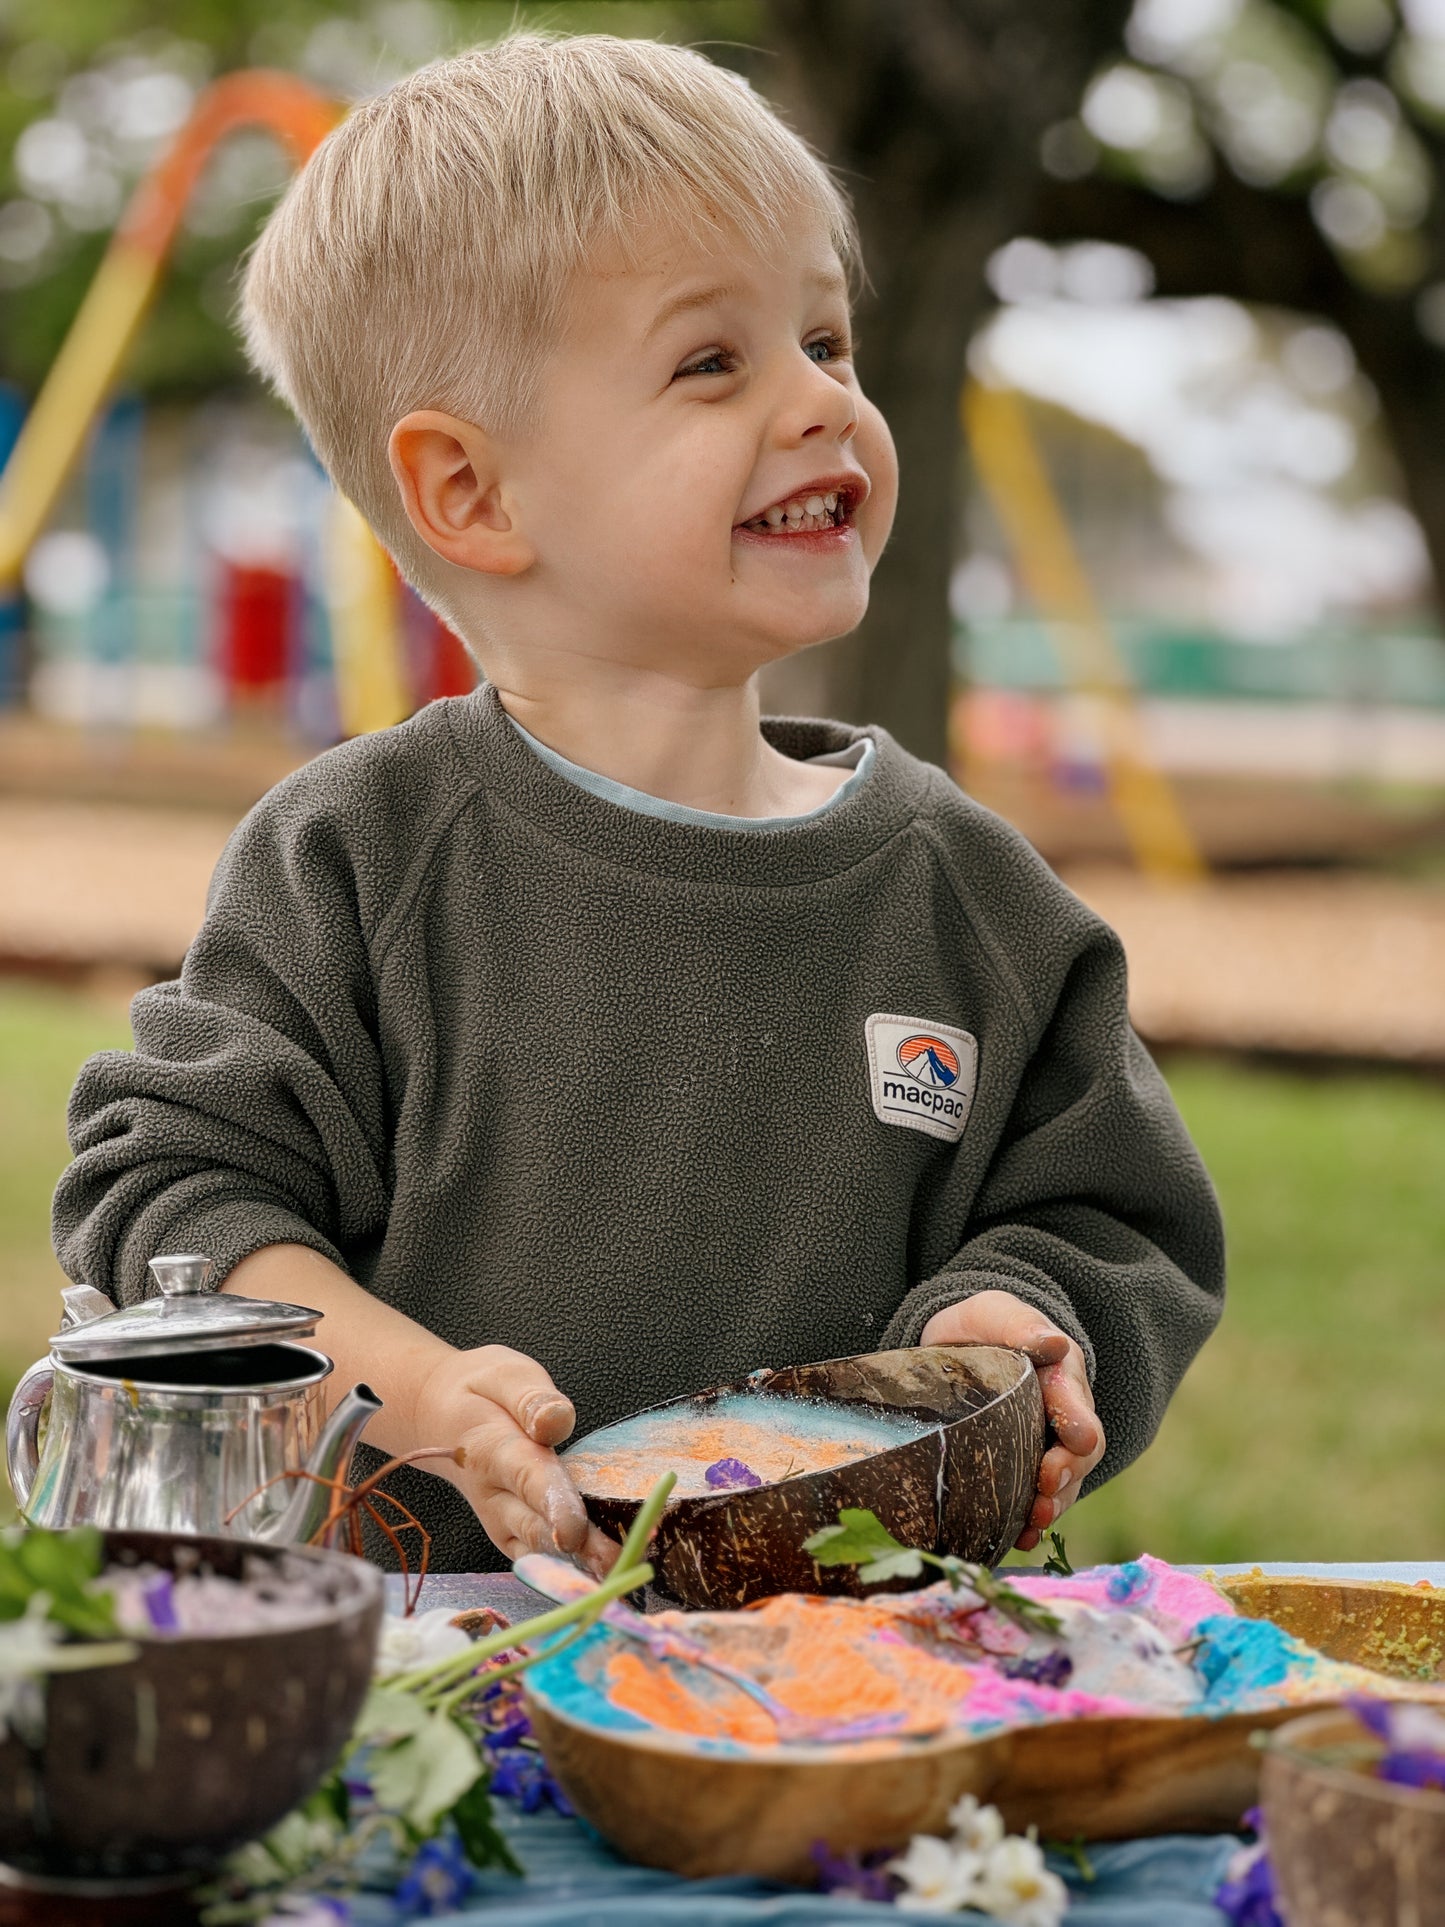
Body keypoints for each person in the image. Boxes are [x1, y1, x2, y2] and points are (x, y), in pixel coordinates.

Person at [53, 33, 1225, 1576]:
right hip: (442, 1661)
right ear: (471, 493)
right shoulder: (362, 855)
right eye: (711, 361)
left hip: (874, 1669)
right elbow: (172, 1193)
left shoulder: (966, 893)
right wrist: (419, 1392)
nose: (817, 400)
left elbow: (1105, 1216)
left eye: (825, 339)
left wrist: (1013, 1322)